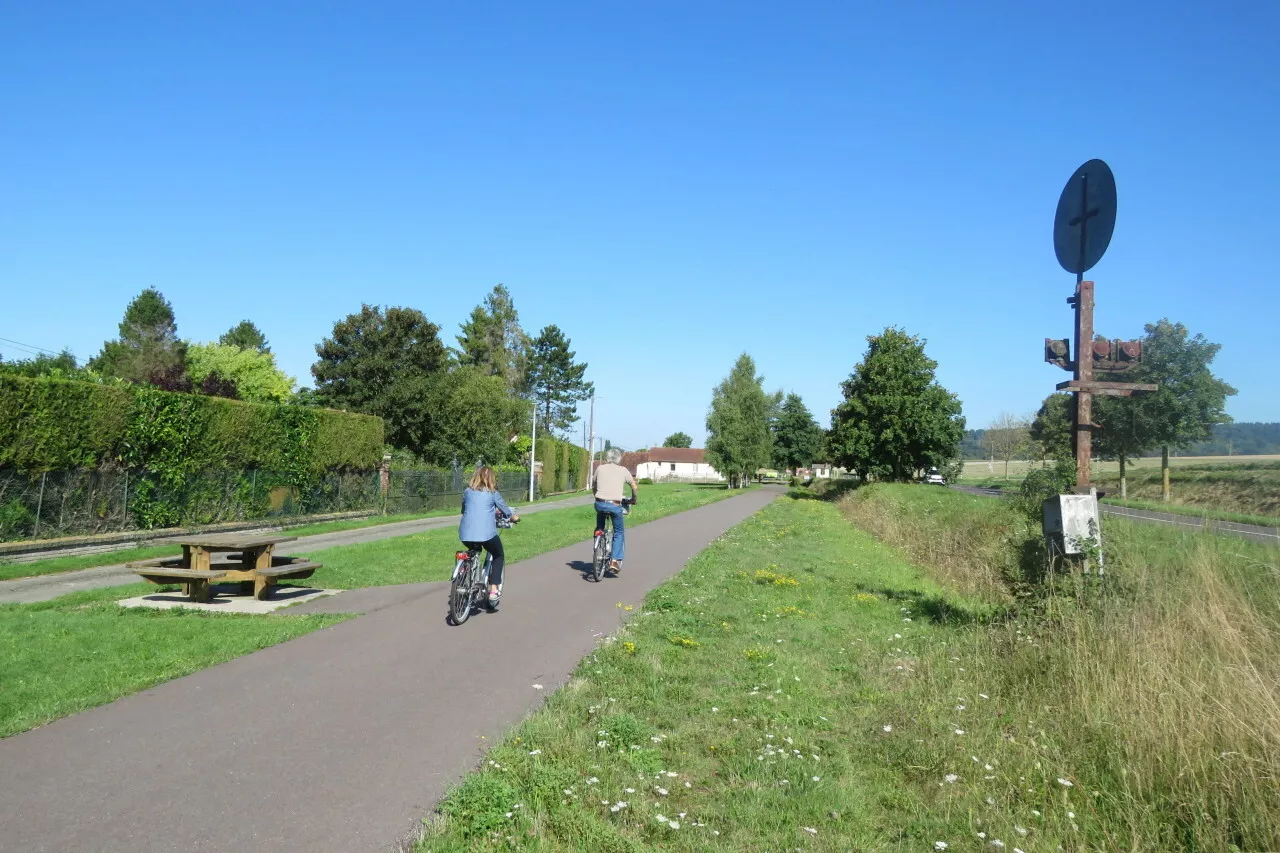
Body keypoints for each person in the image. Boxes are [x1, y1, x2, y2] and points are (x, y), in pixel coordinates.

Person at [459, 466, 518, 611]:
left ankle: (467, 574)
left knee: (474, 550)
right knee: (498, 555)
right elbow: (506, 511)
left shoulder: (467, 492)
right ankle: (493, 591)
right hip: (486, 535)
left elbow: (463, 510)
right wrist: (513, 518)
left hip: (465, 535)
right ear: (491, 479)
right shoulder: (493, 493)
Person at [591, 448, 639, 576]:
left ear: (608, 458)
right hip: (615, 505)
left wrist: (596, 496)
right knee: (618, 532)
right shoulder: (623, 470)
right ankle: (614, 561)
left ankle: (598, 538)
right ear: (619, 459)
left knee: (599, 526)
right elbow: (634, 486)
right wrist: (634, 499)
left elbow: (594, 485)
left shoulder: (600, 468)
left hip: (600, 503)